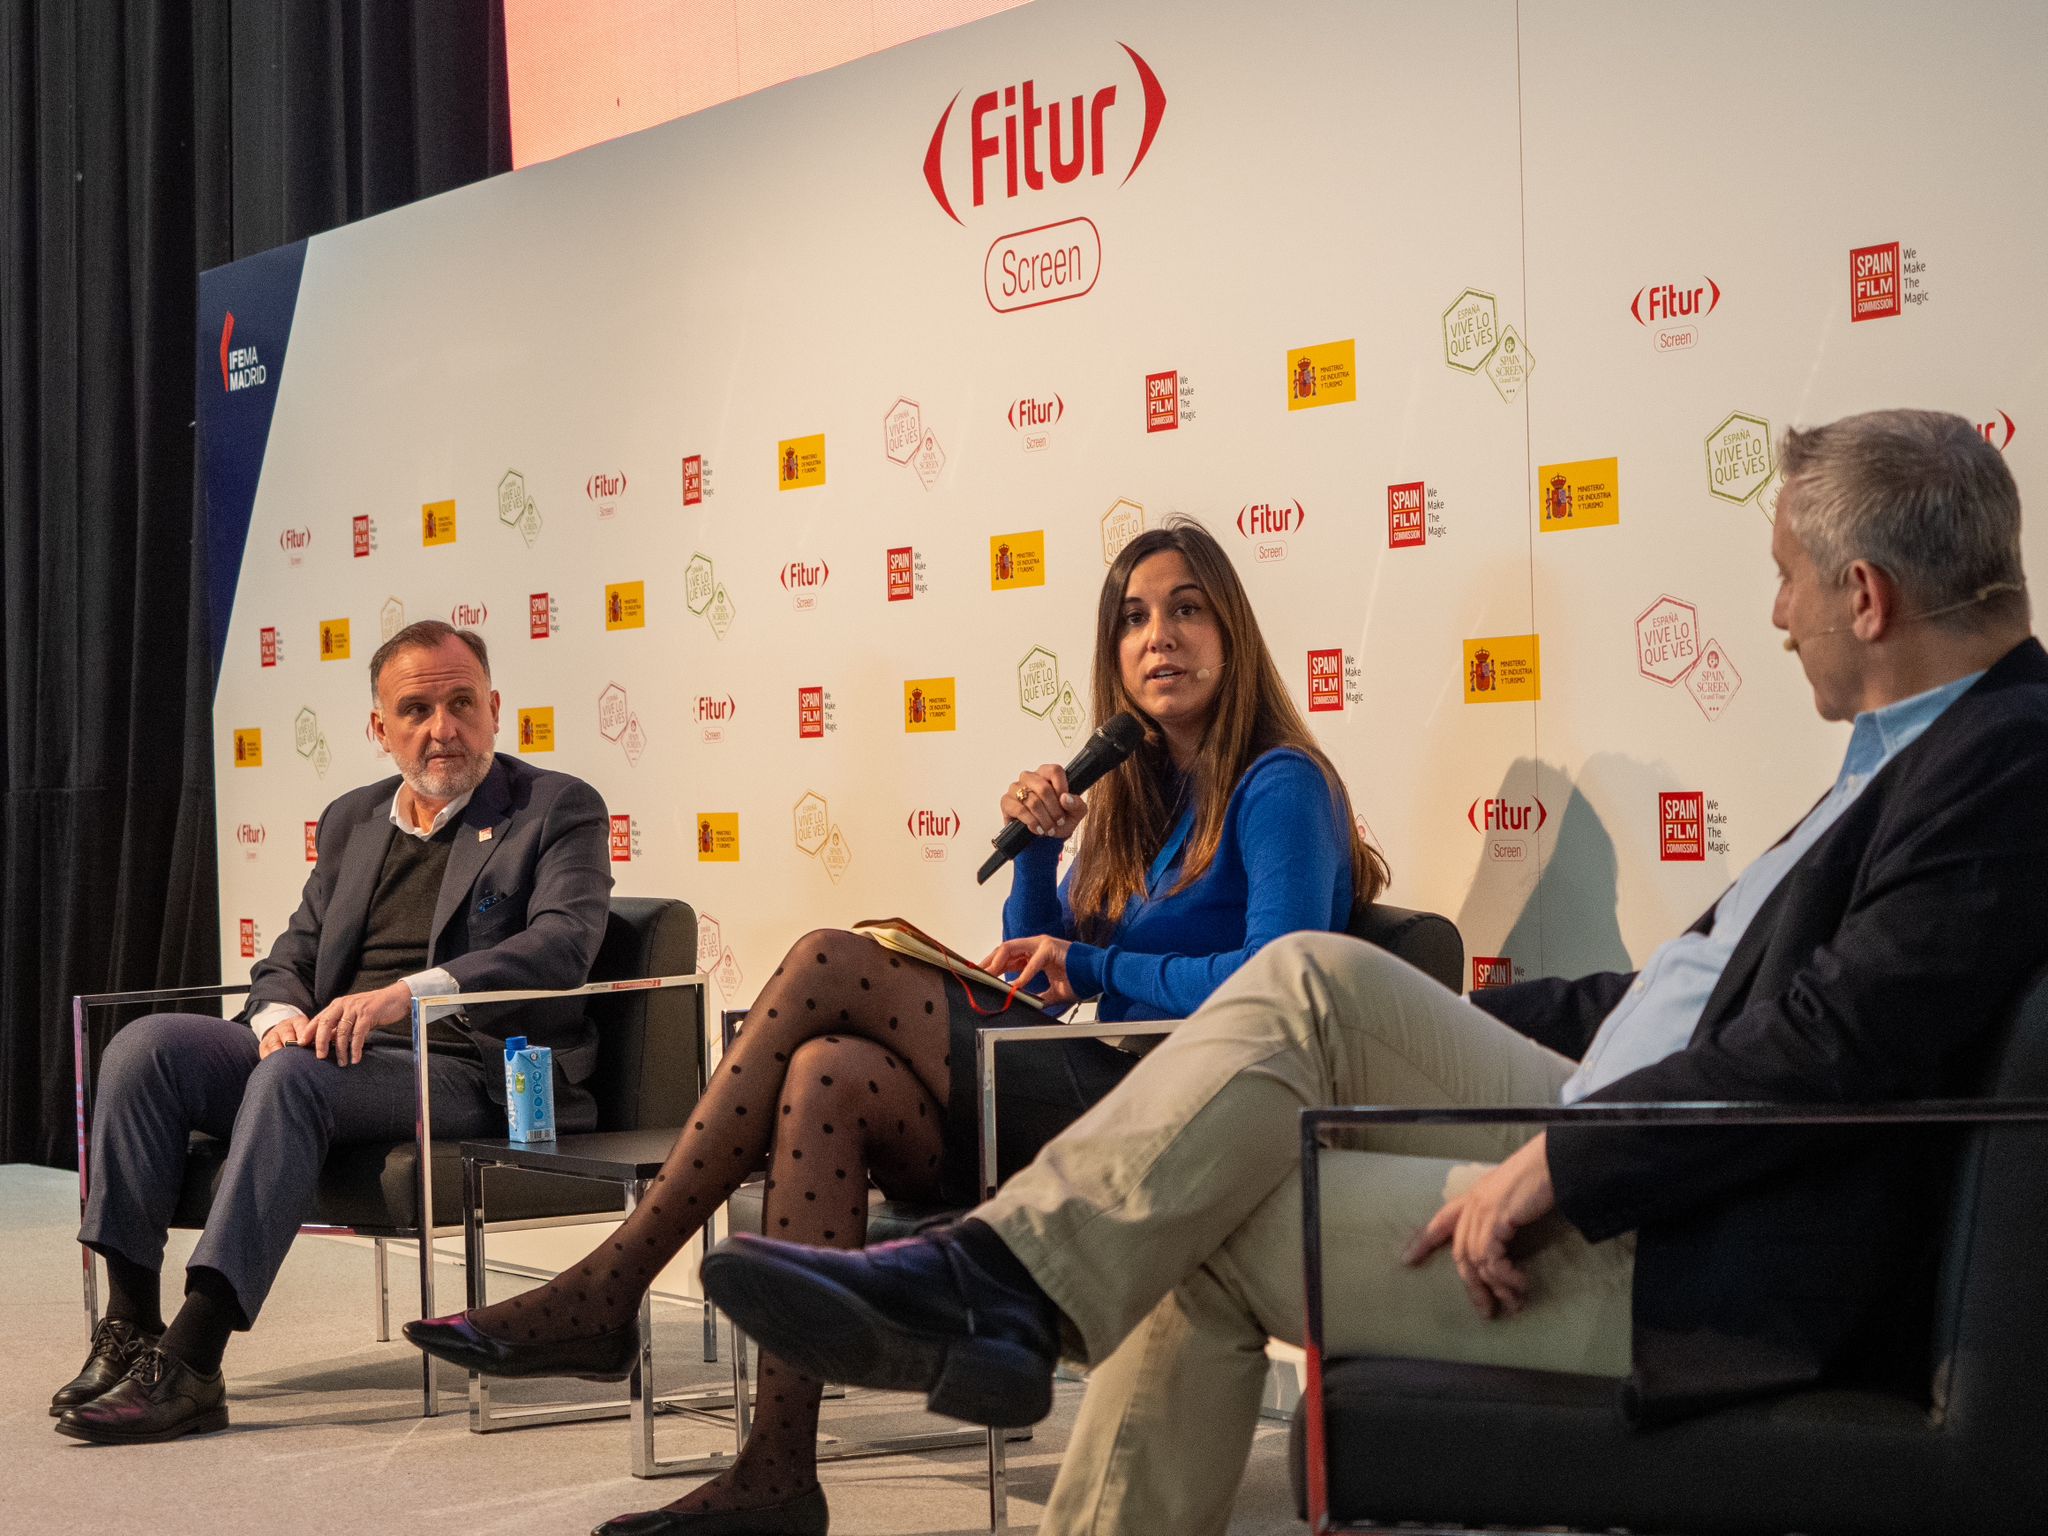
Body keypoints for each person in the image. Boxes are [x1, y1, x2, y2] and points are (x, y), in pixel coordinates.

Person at [697, 409, 2048, 1534]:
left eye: (1789, 580)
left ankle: (997, 1280)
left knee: (1211, 1191)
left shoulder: (2003, 758)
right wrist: (1435, 1022)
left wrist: (1569, 1163)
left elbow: (1832, 1048)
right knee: (1315, 994)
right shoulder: (1920, 755)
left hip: (1698, 1239)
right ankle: (1000, 1277)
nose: (1777, 615)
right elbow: (1702, 996)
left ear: (1864, 595)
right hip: (1637, 1135)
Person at [407, 517, 1387, 1536]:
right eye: (1133, 619)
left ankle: (611, 1285)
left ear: (1231, 631)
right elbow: (1039, 975)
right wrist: (1038, 856)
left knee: (830, 959)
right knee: (825, 1073)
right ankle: (775, 1474)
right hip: (1098, 1093)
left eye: (1186, 610)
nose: (1158, 638)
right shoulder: (1140, 793)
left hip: (1189, 1122)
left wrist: (1094, 964)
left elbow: (1281, 982)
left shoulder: (1280, 783)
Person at [55, 620, 612, 1444]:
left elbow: (563, 943)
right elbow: (292, 954)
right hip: (334, 1053)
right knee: (146, 1050)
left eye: (462, 704)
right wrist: (279, 1020)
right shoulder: (354, 818)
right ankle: (132, 1325)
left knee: (295, 1078)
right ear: (380, 728)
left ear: (495, 710)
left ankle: (193, 1359)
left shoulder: (555, 807)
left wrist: (406, 997)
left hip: (466, 1064)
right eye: (416, 710)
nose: (443, 728)